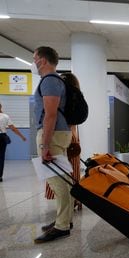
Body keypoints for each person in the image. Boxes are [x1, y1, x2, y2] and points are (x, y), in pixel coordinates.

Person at [32, 46, 74, 243]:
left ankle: (62, 226)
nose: (34, 62)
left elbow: (50, 114)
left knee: (58, 182)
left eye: (35, 58)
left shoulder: (49, 81)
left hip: (53, 135)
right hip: (59, 133)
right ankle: (64, 219)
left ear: (43, 60)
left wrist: (45, 145)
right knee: (64, 180)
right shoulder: (52, 81)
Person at [45, 72, 82, 211]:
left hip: (61, 136)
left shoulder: (61, 97)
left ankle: (67, 209)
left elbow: (53, 117)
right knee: (72, 170)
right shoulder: (76, 95)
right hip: (72, 136)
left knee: (59, 173)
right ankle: (76, 200)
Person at [0, 102, 27, 182]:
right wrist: (22, 136)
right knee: (1, 157)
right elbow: (13, 128)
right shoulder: (5, 116)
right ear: (1, 107)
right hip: (2, 137)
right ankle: (0, 176)